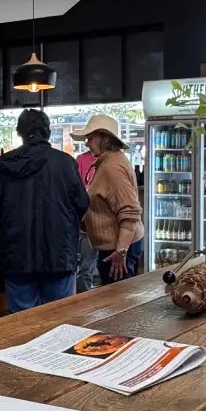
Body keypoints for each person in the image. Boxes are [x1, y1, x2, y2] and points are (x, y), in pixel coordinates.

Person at [0, 109, 89, 312]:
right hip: (60, 255)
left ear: (19, 132)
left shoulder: (3, 165)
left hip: (16, 256)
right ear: (48, 132)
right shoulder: (66, 164)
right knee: (59, 322)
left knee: (22, 326)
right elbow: (82, 204)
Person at [72, 115, 145, 284]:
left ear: (104, 139)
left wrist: (121, 251)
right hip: (118, 246)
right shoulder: (113, 160)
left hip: (118, 250)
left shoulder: (112, 167)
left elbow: (130, 212)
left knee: (119, 302)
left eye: (90, 138)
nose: (87, 143)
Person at [75, 150, 98, 293]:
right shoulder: (81, 159)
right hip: (86, 222)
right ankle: (84, 300)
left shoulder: (112, 160)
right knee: (86, 267)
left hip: (104, 225)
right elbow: (76, 189)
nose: (87, 142)